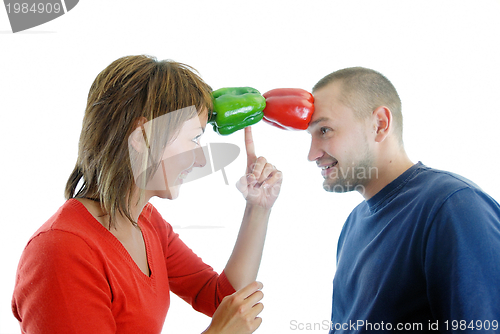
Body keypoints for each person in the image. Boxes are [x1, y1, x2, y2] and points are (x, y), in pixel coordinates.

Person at [11, 55, 283, 334]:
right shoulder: (63, 250)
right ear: (142, 137)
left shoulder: (147, 223)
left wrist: (258, 207)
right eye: (194, 139)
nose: (200, 161)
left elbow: (221, 298)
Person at [307, 67, 500, 333]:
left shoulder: (452, 206)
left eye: (325, 130)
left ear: (379, 124)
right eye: (311, 135)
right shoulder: (353, 225)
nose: (312, 153)